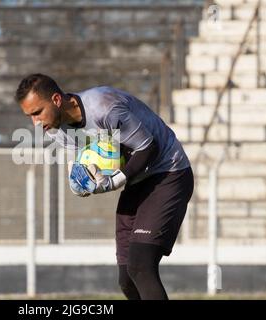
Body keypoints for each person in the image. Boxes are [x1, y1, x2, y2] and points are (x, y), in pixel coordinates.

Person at [14, 73, 194, 300]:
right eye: (30, 116)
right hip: (137, 182)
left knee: (140, 266)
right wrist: (78, 178)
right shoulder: (55, 129)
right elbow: (86, 156)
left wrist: (115, 181)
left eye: (37, 113)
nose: (35, 124)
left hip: (168, 174)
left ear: (57, 100)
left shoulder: (103, 107)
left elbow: (148, 148)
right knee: (127, 279)